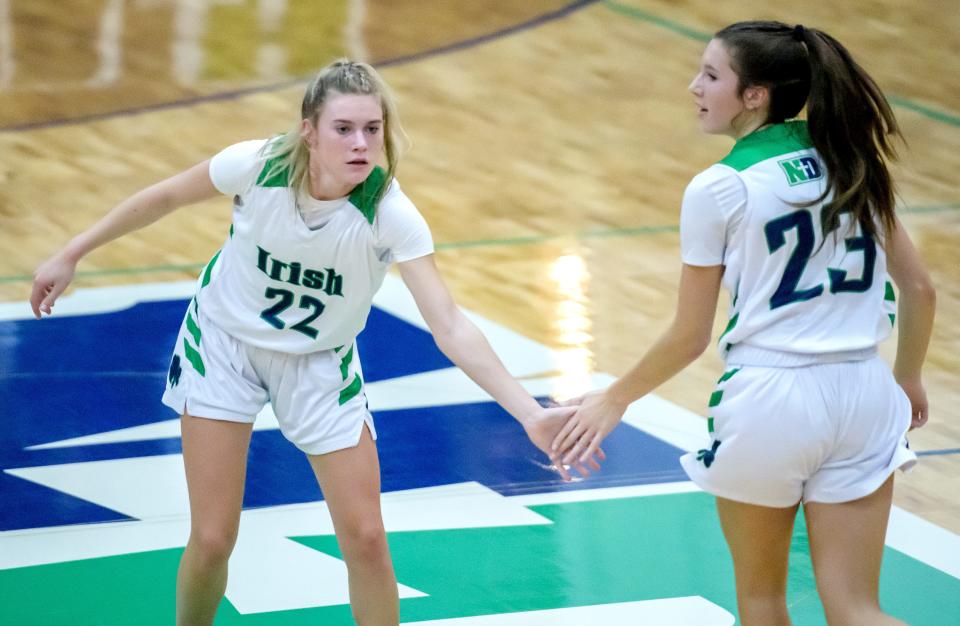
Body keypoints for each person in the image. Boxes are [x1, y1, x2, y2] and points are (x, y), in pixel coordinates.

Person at [30, 59, 600, 626]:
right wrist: (74, 251)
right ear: (309, 130)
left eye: (371, 130)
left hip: (319, 361)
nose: (360, 144)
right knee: (211, 537)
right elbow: (165, 197)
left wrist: (529, 412)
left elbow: (448, 323)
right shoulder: (257, 165)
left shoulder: (389, 212)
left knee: (368, 538)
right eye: (344, 129)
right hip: (223, 347)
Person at [551, 21, 936, 626]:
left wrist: (612, 400)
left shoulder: (719, 188)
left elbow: (689, 334)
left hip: (771, 399)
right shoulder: (854, 160)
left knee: (762, 604)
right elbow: (919, 287)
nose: (693, 86)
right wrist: (908, 376)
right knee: (859, 609)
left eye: (710, 75)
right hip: (866, 394)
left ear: (755, 95)